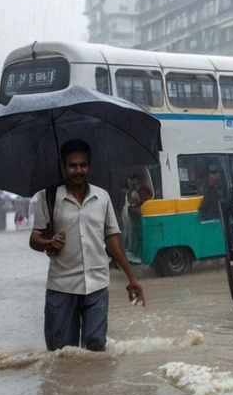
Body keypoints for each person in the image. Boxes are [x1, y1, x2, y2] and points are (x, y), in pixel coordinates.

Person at [29, 139, 146, 351]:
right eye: (72, 165)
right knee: (62, 352)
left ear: (89, 167)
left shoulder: (102, 197)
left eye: (83, 165)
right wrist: (49, 242)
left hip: (97, 284)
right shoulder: (48, 197)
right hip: (61, 286)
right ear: (62, 168)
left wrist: (132, 278)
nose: (78, 170)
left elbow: (113, 238)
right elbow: (34, 238)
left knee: (96, 347)